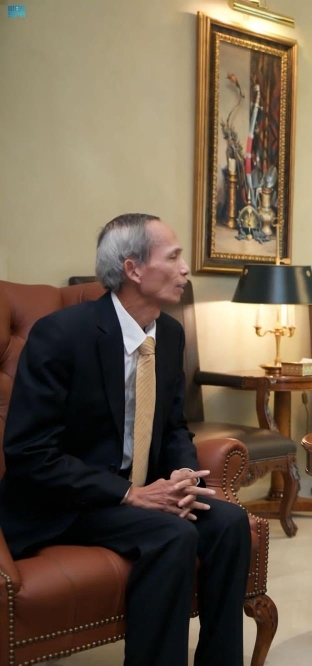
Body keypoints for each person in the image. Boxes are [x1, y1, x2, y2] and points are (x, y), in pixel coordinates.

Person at [0, 213, 251, 666]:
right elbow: (29, 453)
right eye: (173, 257)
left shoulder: (169, 334)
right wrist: (130, 494)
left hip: (140, 492)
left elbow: (173, 425)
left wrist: (182, 475)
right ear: (133, 269)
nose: (185, 269)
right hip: (66, 503)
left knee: (230, 523)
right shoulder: (61, 335)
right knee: (173, 534)